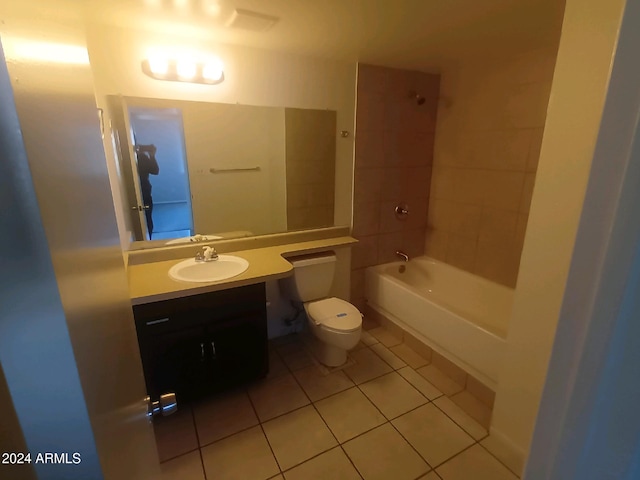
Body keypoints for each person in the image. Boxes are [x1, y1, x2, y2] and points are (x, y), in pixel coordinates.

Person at [135, 144, 159, 239]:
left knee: (148, 218)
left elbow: (155, 171)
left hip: (145, 191)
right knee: (147, 218)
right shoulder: (140, 157)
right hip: (144, 191)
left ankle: (148, 239)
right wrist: (152, 155)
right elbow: (155, 171)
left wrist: (152, 156)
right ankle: (147, 239)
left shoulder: (141, 157)